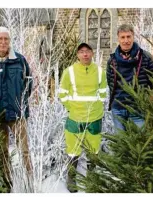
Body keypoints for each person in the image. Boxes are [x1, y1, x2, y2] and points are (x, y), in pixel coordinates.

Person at [0, 26, 33, 192]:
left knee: (24, 151)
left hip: (17, 115)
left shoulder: (20, 60)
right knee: (1, 151)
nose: (3, 42)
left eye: (6, 39)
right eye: (0, 39)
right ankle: (7, 182)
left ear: (9, 41)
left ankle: (29, 183)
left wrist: (21, 105)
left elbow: (28, 85)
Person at [59, 43, 107, 192]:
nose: (85, 54)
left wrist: (97, 108)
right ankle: (72, 180)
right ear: (77, 55)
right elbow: (62, 93)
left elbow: (103, 92)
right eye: (81, 52)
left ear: (92, 53)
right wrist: (72, 108)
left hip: (95, 118)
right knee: (73, 151)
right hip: (75, 118)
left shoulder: (100, 71)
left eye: (87, 51)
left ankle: (92, 180)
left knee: (94, 150)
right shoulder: (69, 72)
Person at [107, 24, 153, 132]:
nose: (126, 40)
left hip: (138, 108)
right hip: (118, 108)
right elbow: (110, 82)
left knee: (139, 142)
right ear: (118, 38)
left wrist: (149, 100)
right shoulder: (111, 60)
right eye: (123, 37)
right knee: (120, 142)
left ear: (133, 37)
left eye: (128, 36)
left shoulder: (145, 57)